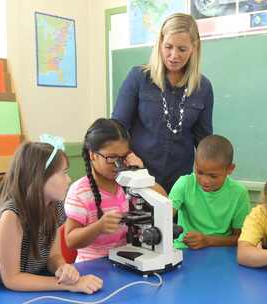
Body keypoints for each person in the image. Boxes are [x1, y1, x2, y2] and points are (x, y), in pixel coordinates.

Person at [0, 140, 103, 294]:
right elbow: (12, 279)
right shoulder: (11, 216)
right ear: (39, 177)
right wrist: (68, 285)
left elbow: (54, 255)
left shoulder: (54, 206)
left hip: (37, 288)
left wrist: (62, 268)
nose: (69, 179)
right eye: (63, 173)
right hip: (2, 294)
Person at [112, 13, 213, 193]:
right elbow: (117, 127)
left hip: (180, 183)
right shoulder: (138, 77)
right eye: (168, 47)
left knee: (172, 221)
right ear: (159, 43)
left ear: (194, 48)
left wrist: (212, 175)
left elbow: (204, 139)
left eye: (182, 49)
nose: (174, 55)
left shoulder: (202, 87)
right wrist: (128, 155)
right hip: (138, 176)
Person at [64, 118, 165, 262]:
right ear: (93, 155)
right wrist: (98, 228)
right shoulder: (80, 192)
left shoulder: (129, 182)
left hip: (125, 260)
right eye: (112, 158)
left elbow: (164, 200)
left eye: (123, 157)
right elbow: (70, 241)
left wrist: (141, 173)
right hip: (92, 266)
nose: (118, 164)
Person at [169, 135, 250, 249]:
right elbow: (164, 217)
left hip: (221, 252)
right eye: (199, 172)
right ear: (195, 163)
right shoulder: (184, 184)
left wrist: (208, 241)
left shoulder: (239, 193)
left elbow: (241, 237)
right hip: (184, 250)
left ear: (230, 169)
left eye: (213, 176)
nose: (205, 181)